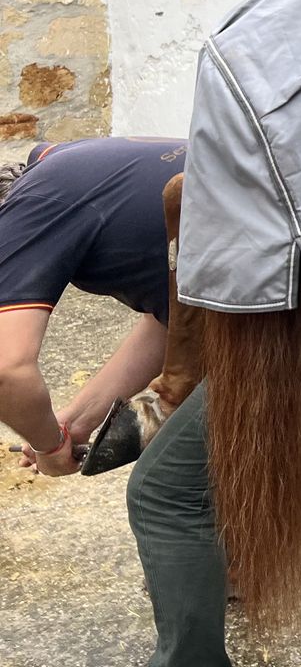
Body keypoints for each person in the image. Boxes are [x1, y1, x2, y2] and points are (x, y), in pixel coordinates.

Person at [0, 136, 186, 477]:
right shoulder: (67, 167)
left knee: (163, 497)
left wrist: (49, 447)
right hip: (294, 273)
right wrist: (74, 423)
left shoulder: (29, 207)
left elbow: (6, 370)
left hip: (280, 301)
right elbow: (173, 321)